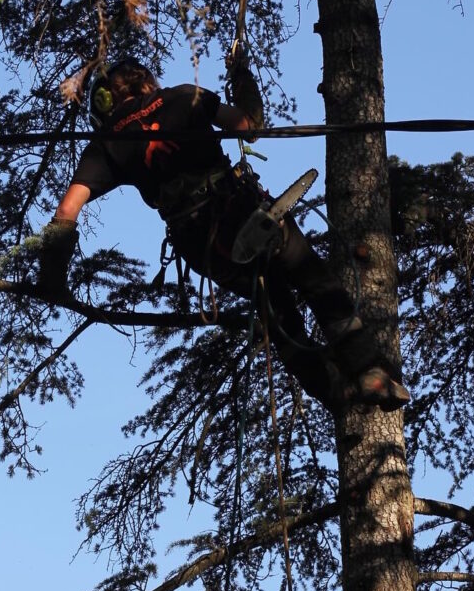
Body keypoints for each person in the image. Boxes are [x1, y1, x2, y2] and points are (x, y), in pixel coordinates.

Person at [37, 57, 409, 408]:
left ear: (106, 104)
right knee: (314, 278)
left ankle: (332, 390)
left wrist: (52, 277)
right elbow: (248, 126)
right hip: (237, 207)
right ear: (146, 81)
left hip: (201, 247)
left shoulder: (107, 144)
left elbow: (66, 211)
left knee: (276, 307)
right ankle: (369, 371)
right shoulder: (184, 96)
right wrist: (242, 77)